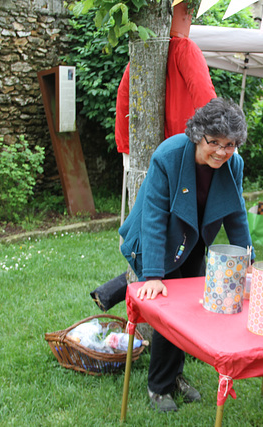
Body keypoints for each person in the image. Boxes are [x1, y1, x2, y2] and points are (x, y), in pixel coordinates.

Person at [118, 98, 254, 412]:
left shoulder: (234, 163)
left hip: (192, 241)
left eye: (230, 144)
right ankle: (159, 387)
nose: (222, 151)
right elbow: (153, 217)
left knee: (190, 314)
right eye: (214, 143)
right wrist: (152, 274)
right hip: (154, 241)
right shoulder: (169, 155)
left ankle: (175, 375)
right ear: (197, 135)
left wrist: (248, 263)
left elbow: (236, 214)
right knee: (170, 314)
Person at [90, 34, 217, 312]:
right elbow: (205, 97)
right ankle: (152, 300)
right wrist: (217, 141)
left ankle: (119, 291)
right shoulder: (183, 48)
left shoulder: (143, 51)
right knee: (181, 240)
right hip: (186, 158)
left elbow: (124, 101)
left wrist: (126, 151)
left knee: (173, 238)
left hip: (170, 155)